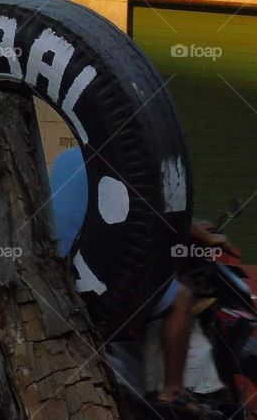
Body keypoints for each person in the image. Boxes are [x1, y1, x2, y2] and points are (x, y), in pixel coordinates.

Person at [50, 147, 230, 419]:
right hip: (91, 278)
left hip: (56, 268)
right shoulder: (121, 160)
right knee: (181, 297)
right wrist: (205, 237)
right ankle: (173, 392)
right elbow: (158, 208)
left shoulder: (67, 158)